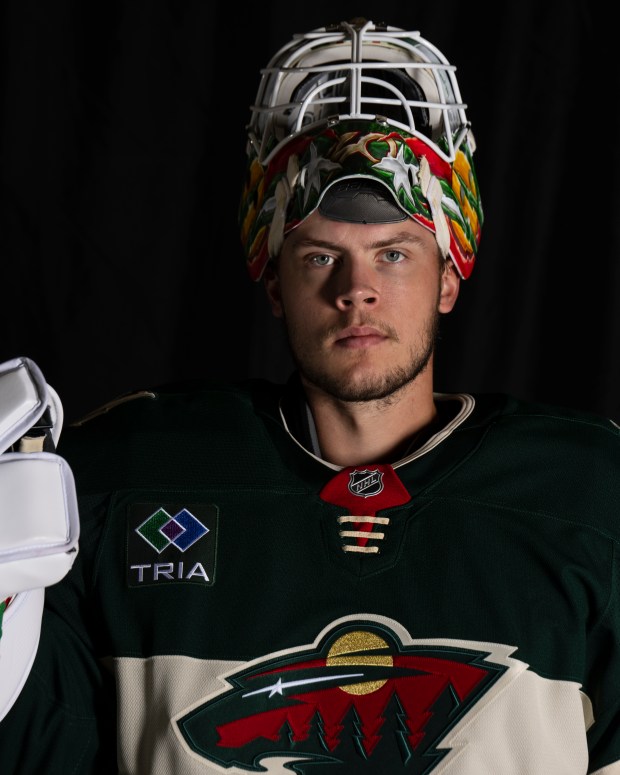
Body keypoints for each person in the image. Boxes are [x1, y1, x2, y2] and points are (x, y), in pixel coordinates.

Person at [0, 17, 619, 775]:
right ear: (272, 280)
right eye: (320, 254)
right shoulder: (124, 473)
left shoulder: (588, 492)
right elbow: (42, 751)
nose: (356, 290)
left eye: (394, 253)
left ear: (451, 275)